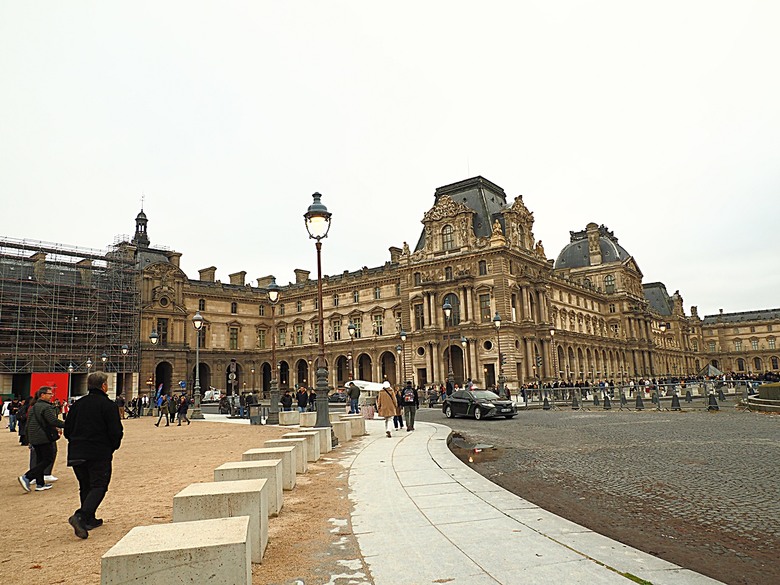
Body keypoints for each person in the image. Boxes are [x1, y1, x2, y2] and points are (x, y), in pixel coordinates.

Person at [64, 371, 123, 539]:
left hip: (76, 452)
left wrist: (76, 442)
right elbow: (115, 432)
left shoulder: (77, 405)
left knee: (85, 486)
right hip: (98, 452)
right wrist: (111, 447)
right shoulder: (108, 405)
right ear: (104, 386)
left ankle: (90, 519)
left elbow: (68, 429)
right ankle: (81, 516)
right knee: (99, 486)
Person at [18, 386, 64, 493]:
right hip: (43, 437)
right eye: (49, 394)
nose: (51, 396)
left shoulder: (34, 406)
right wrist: (68, 424)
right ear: (42, 395)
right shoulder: (45, 407)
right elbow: (53, 421)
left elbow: (29, 422)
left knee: (40, 459)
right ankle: (27, 477)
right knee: (48, 459)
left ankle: (40, 483)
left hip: (34, 436)